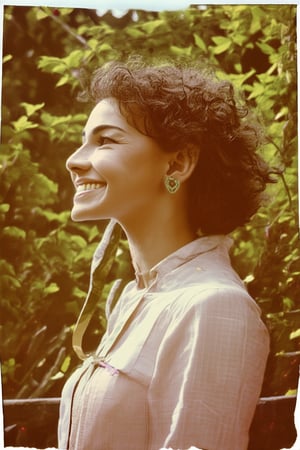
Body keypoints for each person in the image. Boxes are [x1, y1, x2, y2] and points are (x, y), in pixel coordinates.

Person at [58, 58, 274, 450]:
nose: (74, 160)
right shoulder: (131, 300)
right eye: (84, 139)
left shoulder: (214, 306)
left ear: (178, 162)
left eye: (105, 140)